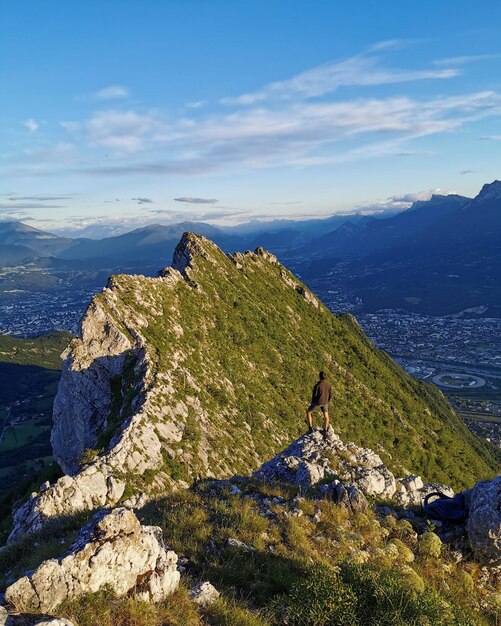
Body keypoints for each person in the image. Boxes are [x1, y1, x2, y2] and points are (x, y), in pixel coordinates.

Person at [306, 371, 331, 438]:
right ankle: (325, 430)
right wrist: (327, 401)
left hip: (318, 402)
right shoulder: (329, 385)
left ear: (319, 377)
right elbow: (330, 394)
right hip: (325, 402)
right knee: (326, 416)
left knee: (308, 412)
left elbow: (314, 396)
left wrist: (313, 404)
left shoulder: (317, 385)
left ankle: (310, 428)